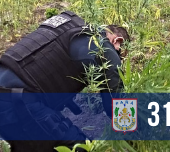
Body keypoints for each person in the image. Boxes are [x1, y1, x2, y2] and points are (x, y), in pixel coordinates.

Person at [0, 10, 130, 152]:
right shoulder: (104, 48)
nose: (119, 60)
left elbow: (43, 62)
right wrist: (134, 139)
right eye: (121, 55)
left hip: (10, 96)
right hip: (19, 101)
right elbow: (116, 102)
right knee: (80, 147)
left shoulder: (70, 24)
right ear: (117, 41)